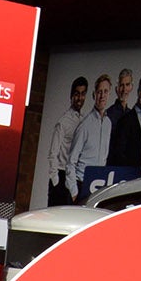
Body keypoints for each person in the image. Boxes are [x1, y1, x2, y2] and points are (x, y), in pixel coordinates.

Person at [64, 73, 116, 197]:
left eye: (105, 91)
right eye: (99, 92)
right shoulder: (85, 125)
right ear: (94, 94)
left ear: (109, 94)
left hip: (97, 186)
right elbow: (71, 162)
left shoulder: (108, 124)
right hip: (81, 185)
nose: (102, 95)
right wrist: (74, 192)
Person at [45, 74, 88, 204]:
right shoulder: (63, 122)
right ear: (71, 96)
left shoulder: (84, 120)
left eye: (82, 94)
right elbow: (52, 154)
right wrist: (56, 182)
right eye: (76, 94)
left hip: (74, 177)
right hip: (62, 177)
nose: (79, 98)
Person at [106, 68, 141, 167]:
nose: (124, 89)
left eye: (127, 85)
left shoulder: (133, 115)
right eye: (122, 85)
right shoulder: (109, 114)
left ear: (132, 87)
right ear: (117, 88)